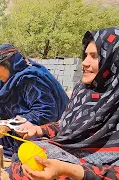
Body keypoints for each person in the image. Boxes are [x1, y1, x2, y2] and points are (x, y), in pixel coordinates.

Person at [7, 27, 119, 179]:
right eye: (85, 55)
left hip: (93, 171)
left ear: (113, 61)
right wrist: (38, 130)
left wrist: (68, 170)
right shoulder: (84, 91)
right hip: (69, 153)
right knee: (23, 158)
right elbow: (67, 126)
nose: (84, 63)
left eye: (94, 56)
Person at [0, 44, 69, 158]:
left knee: (29, 158)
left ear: (8, 64)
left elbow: (45, 112)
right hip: (21, 126)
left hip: (46, 131)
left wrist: (9, 125)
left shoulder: (31, 79)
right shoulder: (11, 77)